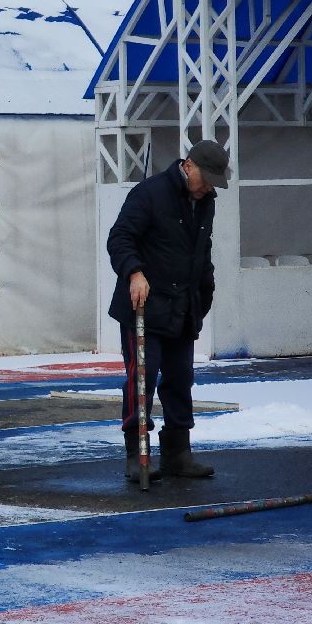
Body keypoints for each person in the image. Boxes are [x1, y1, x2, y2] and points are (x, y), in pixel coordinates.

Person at [106, 139, 230, 482]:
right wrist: (135, 271)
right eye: (204, 179)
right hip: (144, 305)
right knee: (142, 379)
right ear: (188, 166)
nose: (207, 188)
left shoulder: (206, 201)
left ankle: (177, 453)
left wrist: (203, 297)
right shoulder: (149, 194)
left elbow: (200, 253)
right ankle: (138, 452)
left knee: (180, 381)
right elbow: (119, 238)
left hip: (183, 306)